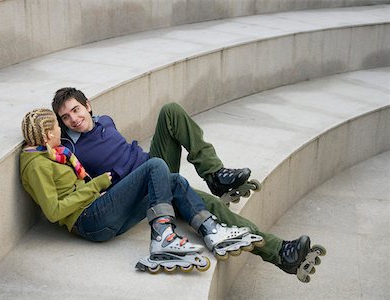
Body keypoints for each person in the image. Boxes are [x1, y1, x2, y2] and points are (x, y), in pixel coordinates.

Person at [49, 88, 326, 282]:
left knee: (170, 111)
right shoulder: (71, 149)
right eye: (66, 117)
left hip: (154, 166)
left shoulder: (104, 121)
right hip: (144, 190)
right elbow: (77, 189)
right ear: (61, 123)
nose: (74, 118)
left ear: (88, 105)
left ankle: (214, 173)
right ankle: (280, 253)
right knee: (212, 206)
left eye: (76, 109)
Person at [20, 108, 265, 274]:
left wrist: (97, 191)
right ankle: (163, 238)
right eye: (58, 126)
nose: (63, 132)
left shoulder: (54, 154)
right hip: (88, 222)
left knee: (173, 180)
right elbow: (53, 211)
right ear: (49, 134)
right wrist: (96, 185)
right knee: (155, 165)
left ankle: (211, 230)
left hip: (98, 212)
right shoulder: (36, 165)